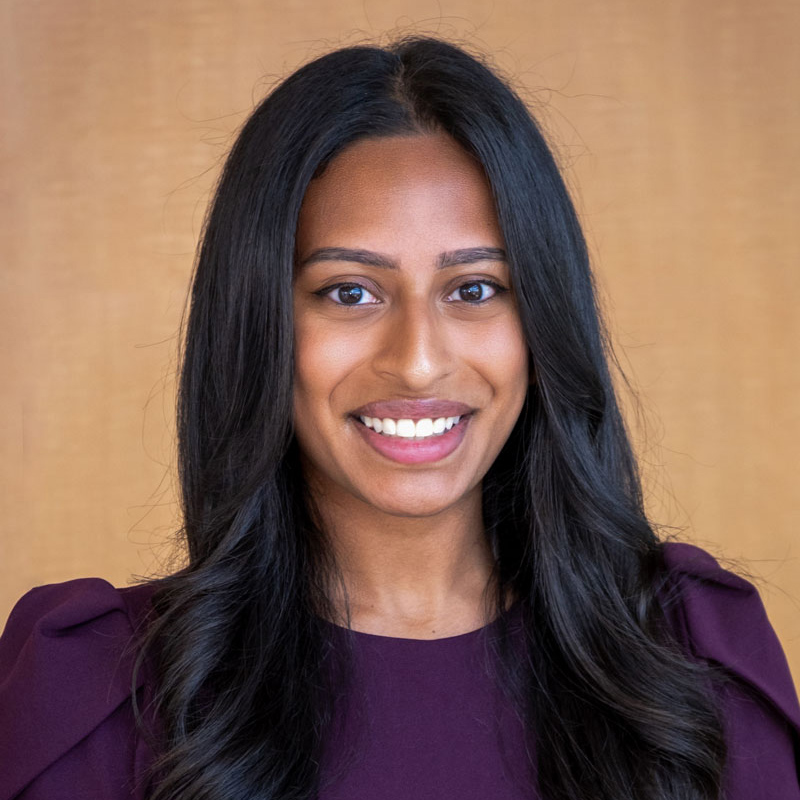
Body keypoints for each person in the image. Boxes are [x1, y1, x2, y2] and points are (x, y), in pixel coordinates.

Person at [1, 35, 798, 800]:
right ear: (258, 324)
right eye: (349, 291)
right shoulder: (100, 696)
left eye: (475, 289)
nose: (418, 360)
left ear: (543, 320)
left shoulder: (693, 663)